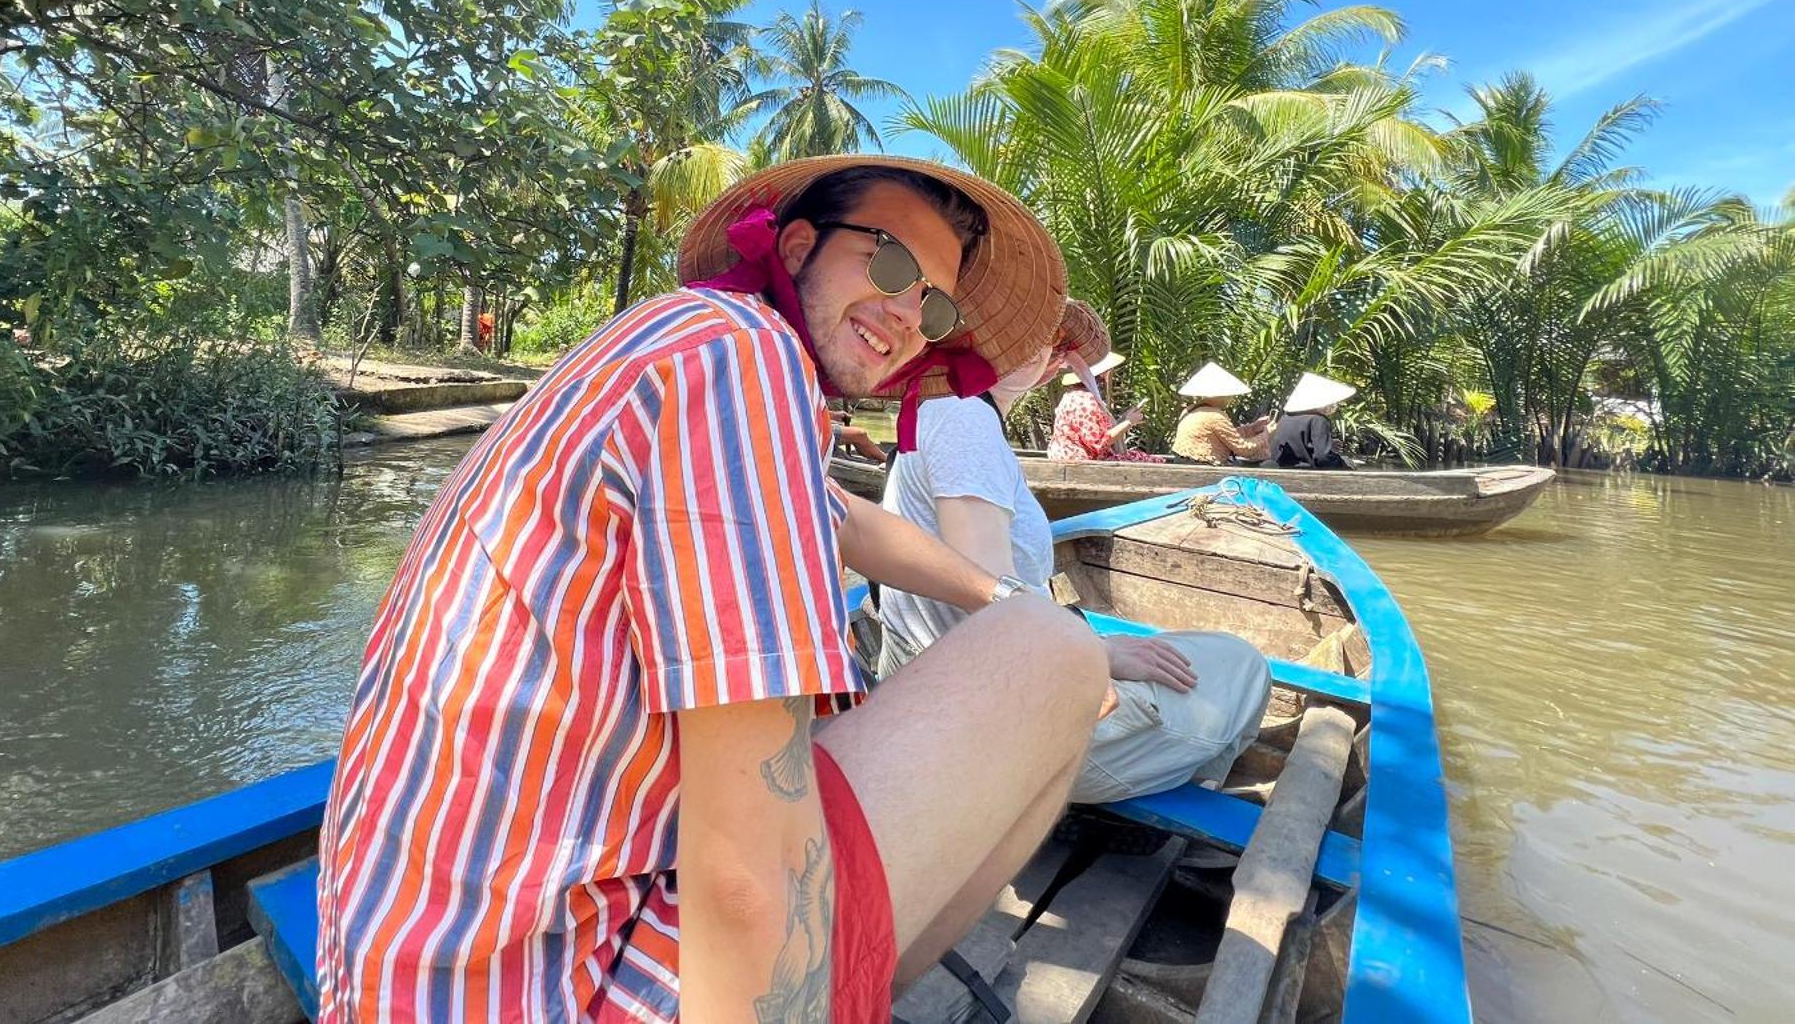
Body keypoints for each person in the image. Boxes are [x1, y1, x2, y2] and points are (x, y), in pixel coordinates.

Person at [317, 156, 1114, 1023]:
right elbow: (745, 878)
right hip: (564, 990)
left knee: (1015, 633)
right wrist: (1037, 624)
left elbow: (842, 516)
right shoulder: (747, 357)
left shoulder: (688, 340)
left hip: (401, 978)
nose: (905, 313)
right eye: (887, 263)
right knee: (1057, 655)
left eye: (934, 304)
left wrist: (1001, 599)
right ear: (801, 243)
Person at [872, 301, 1273, 806]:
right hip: (986, 722)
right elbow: (986, 590)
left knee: (1198, 651)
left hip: (949, 690)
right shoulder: (963, 414)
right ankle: (1187, 786)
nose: (1043, 350)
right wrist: (1096, 654)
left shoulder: (941, 405)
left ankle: (1163, 773)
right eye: (1018, 326)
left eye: (1049, 339)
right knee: (1245, 664)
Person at [1045, 302, 1164, 462]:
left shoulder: (1073, 396)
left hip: (1072, 457)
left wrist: (1123, 420)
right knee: (1154, 462)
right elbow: (1099, 444)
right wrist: (1129, 422)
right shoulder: (1086, 401)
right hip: (1081, 460)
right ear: (1101, 374)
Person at [1169, 361, 1272, 464]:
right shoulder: (1215, 416)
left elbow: (1226, 435)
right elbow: (1243, 448)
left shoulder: (1189, 410)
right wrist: (1265, 434)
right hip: (1202, 466)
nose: (1231, 399)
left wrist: (1253, 428)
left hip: (1181, 462)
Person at [1273, 371, 1357, 469]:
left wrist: (1328, 443)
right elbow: (1323, 457)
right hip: (1307, 474)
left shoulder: (1285, 418)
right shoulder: (1318, 420)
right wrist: (1343, 463)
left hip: (1282, 469)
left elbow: (1298, 444)